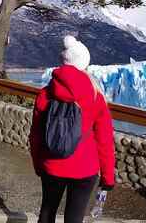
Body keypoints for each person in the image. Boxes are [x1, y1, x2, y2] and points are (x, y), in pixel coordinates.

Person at [29, 35, 115, 223]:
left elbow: (35, 135)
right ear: (84, 63)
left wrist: (38, 164)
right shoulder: (95, 96)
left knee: (46, 213)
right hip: (85, 168)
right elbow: (105, 140)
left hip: (51, 164)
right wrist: (108, 176)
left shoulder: (45, 94)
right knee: (74, 219)